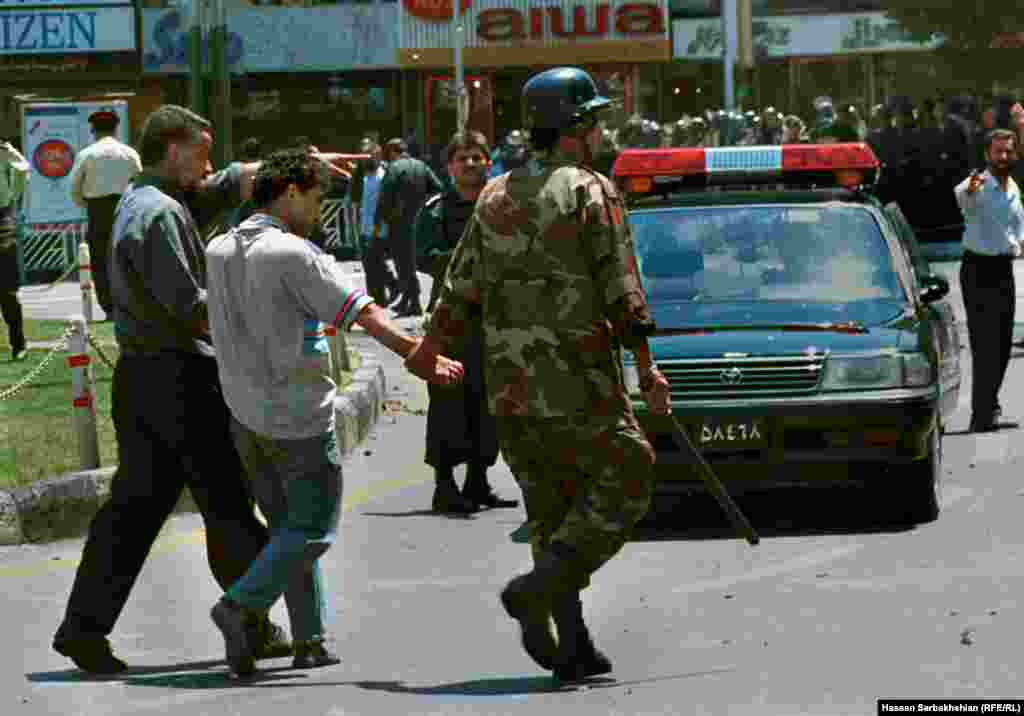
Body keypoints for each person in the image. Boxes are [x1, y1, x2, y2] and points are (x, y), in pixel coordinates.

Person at [405, 67, 671, 682]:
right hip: (578, 379)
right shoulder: (589, 190)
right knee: (630, 471)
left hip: (510, 387)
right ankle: (540, 587)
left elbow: (459, 287)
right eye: (596, 121)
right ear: (576, 128)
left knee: (550, 508)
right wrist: (648, 371)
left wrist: (427, 347)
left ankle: (571, 643)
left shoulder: (494, 194)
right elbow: (622, 291)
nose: (602, 132)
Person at [52, 104, 317, 675]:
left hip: (145, 379)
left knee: (134, 510)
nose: (209, 161)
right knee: (227, 503)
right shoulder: (162, 213)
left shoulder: (139, 201)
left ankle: (83, 627)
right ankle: (249, 619)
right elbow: (192, 308)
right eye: (201, 149)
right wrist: (262, 329)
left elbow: (219, 187)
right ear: (173, 151)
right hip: (179, 381)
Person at [204, 148, 463, 677]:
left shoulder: (219, 248)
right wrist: (417, 354)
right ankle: (239, 605)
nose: (320, 210)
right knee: (314, 529)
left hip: (244, 413)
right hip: (296, 414)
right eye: (317, 197)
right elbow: (360, 312)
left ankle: (310, 639)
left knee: (287, 532)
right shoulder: (292, 253)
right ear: (291, 192)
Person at [413, 131, 518, 514]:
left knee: (489, 403)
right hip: (450, 321)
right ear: (449, 167)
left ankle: (478, 482)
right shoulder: (435, 209)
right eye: (463, 158)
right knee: (446, 401)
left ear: (489, 162)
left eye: (477, 157)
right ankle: (444, 485)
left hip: (494, 320)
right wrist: (467, 264)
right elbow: (423, 257)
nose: (471, 164)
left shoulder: (502, 206)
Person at [956, 128, 1024, 433]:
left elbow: (1015, 229)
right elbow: (963, 195)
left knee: (1002, 343)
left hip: (1002, 270)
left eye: (1008, 151)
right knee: (983, 344)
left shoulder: (1013, 188)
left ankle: (990, 405)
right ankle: (980, 414)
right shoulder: (978, 183)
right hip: (978, 270)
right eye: (998, 151)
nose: (1003, 156)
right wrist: (972, 184)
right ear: (988, 154)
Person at [67, 108, 142, 318]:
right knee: (128, 259)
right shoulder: (129, 153)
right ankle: (129, 306)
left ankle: (109, 308)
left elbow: (74, 187)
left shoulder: (87, 154)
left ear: (93, 130)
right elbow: (141, 181)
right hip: (126, 209)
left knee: (100, 262)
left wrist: (86, 204)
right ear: (116, 129)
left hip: (97, 211)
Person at [374, 138, 443, 317]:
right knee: (409, 262)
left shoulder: (394, 168)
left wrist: (378, 222)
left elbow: (384, 197)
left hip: (398, 224)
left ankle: (413, 301)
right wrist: (426, 207)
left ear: (391, 152)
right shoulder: (421, 166)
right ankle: (410, 300)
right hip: (418, 223)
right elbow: (438, 188)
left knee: (403, 264)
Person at [351, 137, 398, 305]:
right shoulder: (358, 177)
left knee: (376, 262)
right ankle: (379, 299)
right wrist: (355, 229)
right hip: (365, 227)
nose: (368, 158)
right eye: (364, 155)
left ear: (378, 155)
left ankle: (390, 286)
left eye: (371, 154)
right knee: (370, 266)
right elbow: (355, 205)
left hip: (384, 226)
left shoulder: (387, 172)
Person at [0, 139, 29, 361]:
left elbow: (23, 169)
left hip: (2, 218)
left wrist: (12, 198)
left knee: (7, 291)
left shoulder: (3, 150)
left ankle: (18, 344)